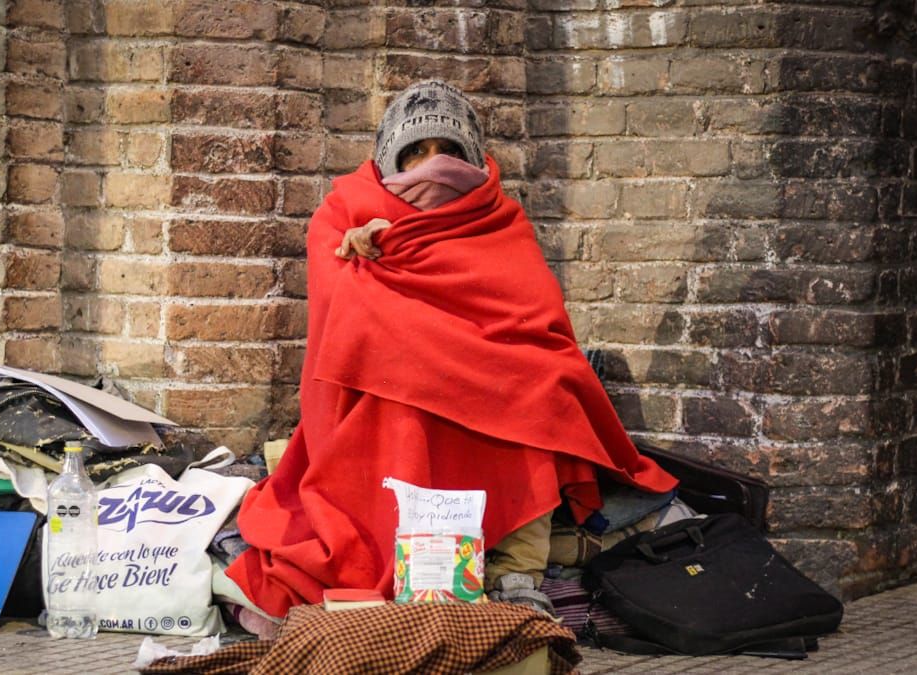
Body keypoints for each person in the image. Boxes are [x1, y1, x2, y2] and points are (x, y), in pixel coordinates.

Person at [223, 80, 677, 630]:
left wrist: (508, 368)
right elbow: (347, 323)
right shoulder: (344, 213)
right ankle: (414, 566)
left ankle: (517, 577)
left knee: (540, 388)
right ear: (389, 156)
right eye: (414, 153)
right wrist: (371, 256)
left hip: (493, 382)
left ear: (474, 158)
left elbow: (537, 325)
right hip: (387, 391)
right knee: (404, 401)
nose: (433, 168)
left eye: (449, 153)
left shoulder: (500, 220)